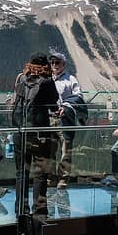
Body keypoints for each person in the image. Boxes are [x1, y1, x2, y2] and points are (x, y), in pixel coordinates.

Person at [11, 55, 60, 216]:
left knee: (21, 172)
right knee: (40, 173)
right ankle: (39, 209)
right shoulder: (46, 82)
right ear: (45, 65)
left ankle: (21, 209)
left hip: (20, 132)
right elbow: (53, 104)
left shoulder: (21, 78)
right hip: (40, 133)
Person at [49, 52, 85, 188]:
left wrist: (66, 106)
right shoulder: (48, 79)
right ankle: (51, 178)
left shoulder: (71, 79)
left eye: (57, 62)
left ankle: (63, 179)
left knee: (66, 151)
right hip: (49, 119)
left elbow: (78, 96)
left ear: (63, 64)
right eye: (52, 63)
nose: (54, 65)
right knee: (50, 151)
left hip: (65, 119)